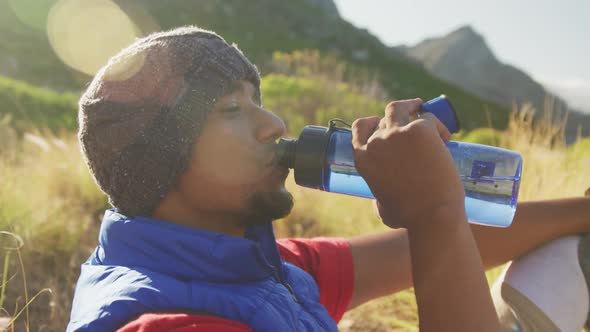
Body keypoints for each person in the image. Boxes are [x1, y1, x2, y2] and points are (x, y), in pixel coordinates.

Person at [67, 26, 590, 332]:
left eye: (258, 100)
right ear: (164, 155)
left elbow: (436, 250)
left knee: (571, 253)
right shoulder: (173, 324)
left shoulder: (258, 265)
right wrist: (434, 215)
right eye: (230, 109)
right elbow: (436, 237)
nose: (273, 124)